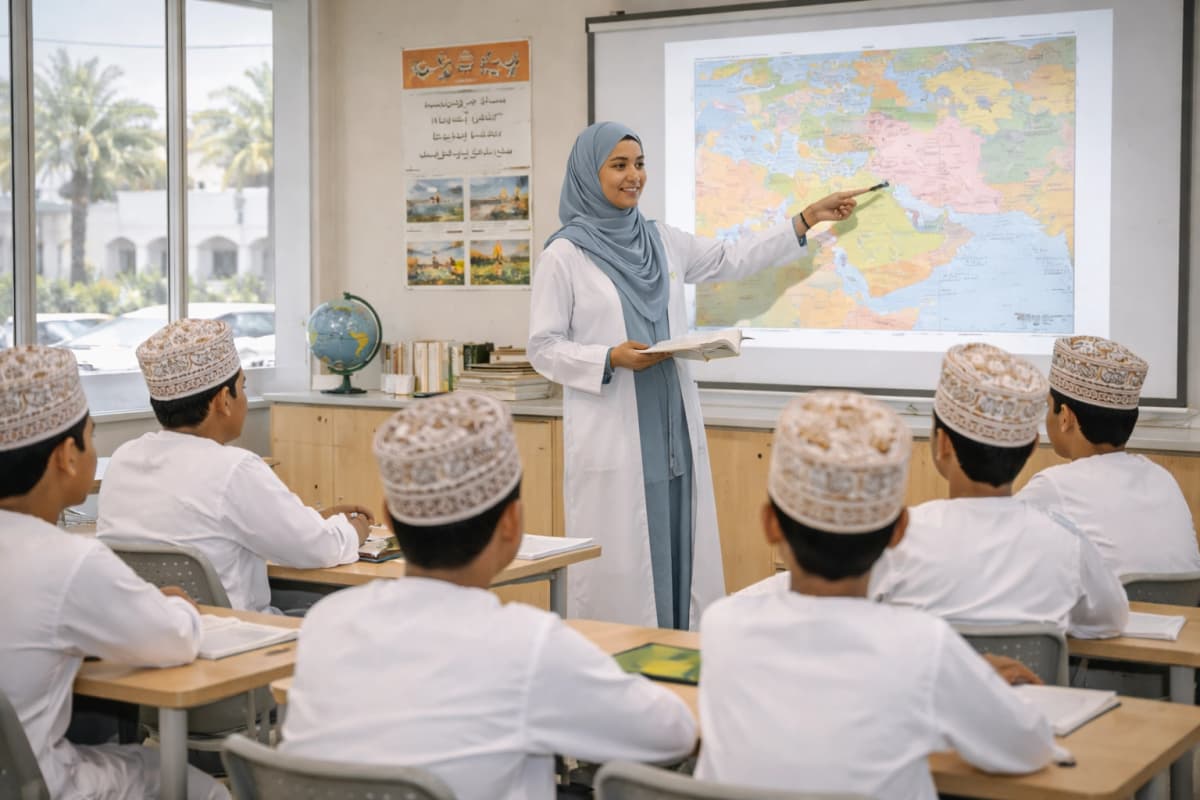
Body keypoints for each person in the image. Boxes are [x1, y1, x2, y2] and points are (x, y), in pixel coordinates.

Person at [528, 120, 868, 628]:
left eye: (639, 164)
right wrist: (608, 358)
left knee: (683, 555)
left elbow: (732, 259)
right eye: (618, 165)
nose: (633, 176)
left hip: (673, 440)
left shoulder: (661, 239)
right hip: (618, 438)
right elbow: (543, 347)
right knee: (626, 570)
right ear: (587, 173)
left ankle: (680, 659)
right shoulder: (563, 256)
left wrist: (804, 220)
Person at [280, 393, 696, 799]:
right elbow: (669, 735)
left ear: (389, 517)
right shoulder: (529, 646)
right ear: (511, 523)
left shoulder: (326, 622)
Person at [695, 390, 1062, 799]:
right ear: (900, 531)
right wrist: (975, 683)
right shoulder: (923, 645)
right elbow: (1027, 748)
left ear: (770, 525)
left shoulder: (722, 625)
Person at [0, 346, 227, 800]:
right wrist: (173, 606)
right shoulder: (67, 560)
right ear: (66, 455)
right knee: (201, 789)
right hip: (41, 785)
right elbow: (174, 639)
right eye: (92, 435)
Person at [97, 318, 373, 613]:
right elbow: (318, 549)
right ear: (222, 401)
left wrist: (314, 518)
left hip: (154, 633)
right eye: (242, 387)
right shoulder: (233, 468)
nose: (245, 398)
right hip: (239, 636)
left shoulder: (124, 459)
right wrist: (354, 529)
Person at [868, 343, 1129, 638]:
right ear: (1031, 449)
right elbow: (1111, 620)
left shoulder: (901, 539)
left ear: (942, 444)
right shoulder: (1067, 540)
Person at [1016, 335, 1200, 577]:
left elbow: (988, 542)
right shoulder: (1162, 477)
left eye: (1048, 406)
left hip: (1115, 614)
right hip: (1182, 615)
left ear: (1065, 417)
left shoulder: (1054, 485)